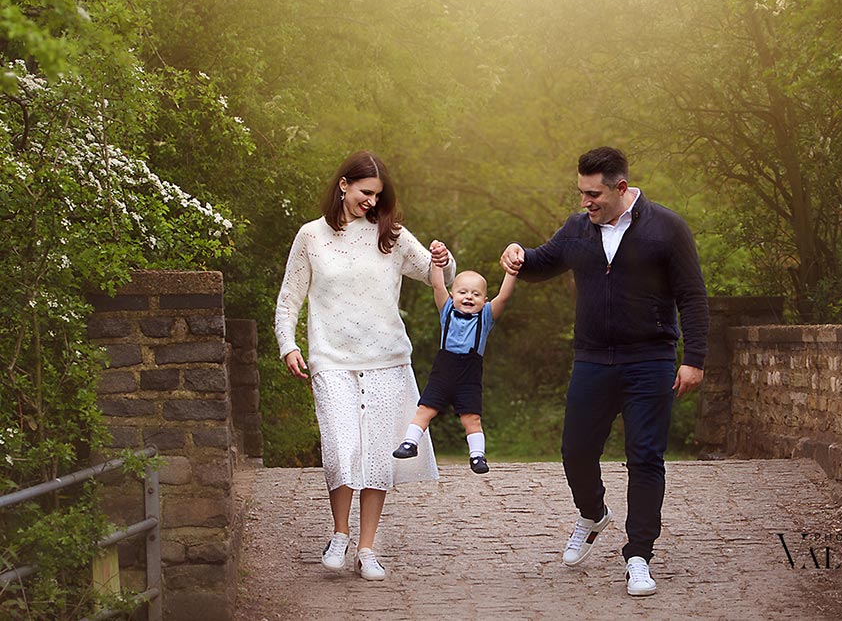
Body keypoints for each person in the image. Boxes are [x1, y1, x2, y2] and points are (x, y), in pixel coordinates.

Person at [499, 146, 709, 597]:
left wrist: (695, 359)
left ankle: (638, 556)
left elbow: (692, 296)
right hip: (593, 358)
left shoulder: (667, 228)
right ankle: (593, 514)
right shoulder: (578, 228)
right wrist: (518, 255)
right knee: (575, 450)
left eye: (593, 194)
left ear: (620, 187)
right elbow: (541, 263)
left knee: (646, 457)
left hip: (650, 360)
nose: (584, 202)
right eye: (580, 192)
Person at [274, 150, 455, 582]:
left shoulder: (390, 236)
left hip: (387, 360)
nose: (371, 202)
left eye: (377, 195)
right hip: (331, 359)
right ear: (344, 186)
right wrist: (287, 344)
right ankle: (339, 534)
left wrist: (442, 261)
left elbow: (437, 277)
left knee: (378, 457)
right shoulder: (311, 237)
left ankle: (368, 547)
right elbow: (288, 299)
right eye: (365, 192)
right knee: (340, 449)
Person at [392, 262, 516, 474]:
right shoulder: (447, 310)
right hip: (443, 371)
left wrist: (511, 272)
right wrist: (438, 264)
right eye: (463, 292)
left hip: (469, 374)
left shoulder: (485, 317)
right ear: (452, 296)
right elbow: (438, 286)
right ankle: (409, 443)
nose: (469, 297)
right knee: (425, 410)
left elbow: (503, 297)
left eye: (476, 294)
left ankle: (477, 456)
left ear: (484, 301)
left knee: (472, 418)